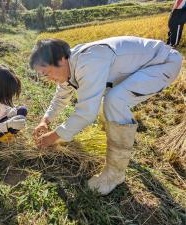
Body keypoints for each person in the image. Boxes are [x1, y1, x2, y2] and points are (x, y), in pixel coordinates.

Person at [29, 36, 182, 195]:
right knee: (112, 102)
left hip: (163, 63)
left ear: (60, 60)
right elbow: (60, 98)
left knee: (115, 101)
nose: (48, 79)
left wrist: (52, 137)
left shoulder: (89, 61)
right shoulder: (68, 67)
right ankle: (120, 150)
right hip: (149, 64)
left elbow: (86, 112)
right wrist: (44, 121)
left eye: (46, 73)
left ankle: (115, 175)